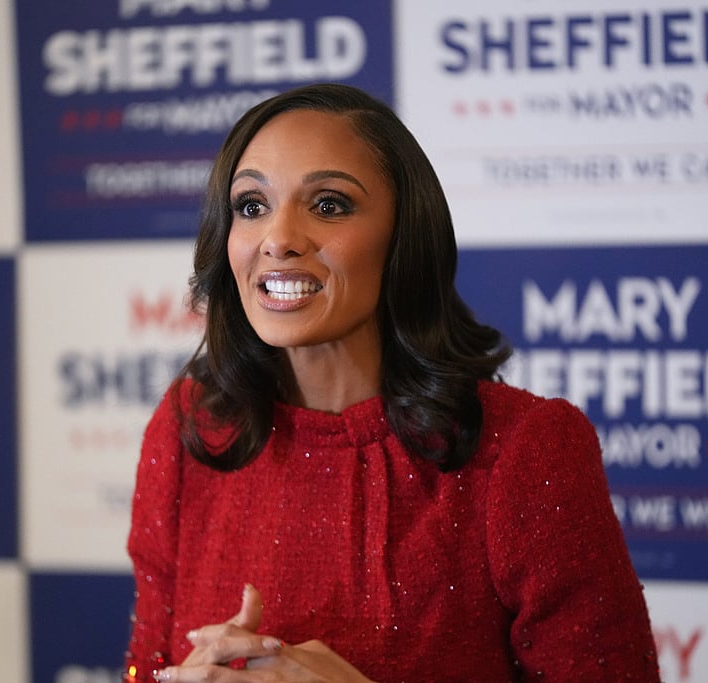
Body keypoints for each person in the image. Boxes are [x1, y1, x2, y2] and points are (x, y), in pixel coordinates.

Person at [124, 83, 660, 682]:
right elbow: (143, 668)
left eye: (328, 205)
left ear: (403, 236)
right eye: (252, 206)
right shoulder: (190, 429)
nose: (278, 239)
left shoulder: (523, 449)